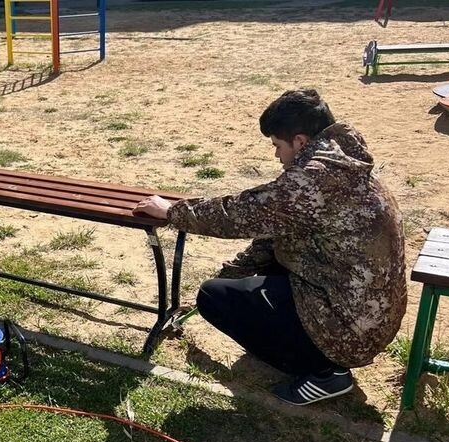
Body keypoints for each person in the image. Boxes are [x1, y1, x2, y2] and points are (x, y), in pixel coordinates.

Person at [134, 89, 407, 405]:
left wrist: (172, 211)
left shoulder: (314, 179)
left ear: (300, 142)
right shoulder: (345, 164)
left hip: (352, 331)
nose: (277, 155)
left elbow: (241, 214)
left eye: (278, 145)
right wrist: (235, 273)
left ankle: (325, 372)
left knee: (212, 297)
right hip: (368, 315)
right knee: (241, 284)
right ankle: (315, 351)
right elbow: (276, 230)